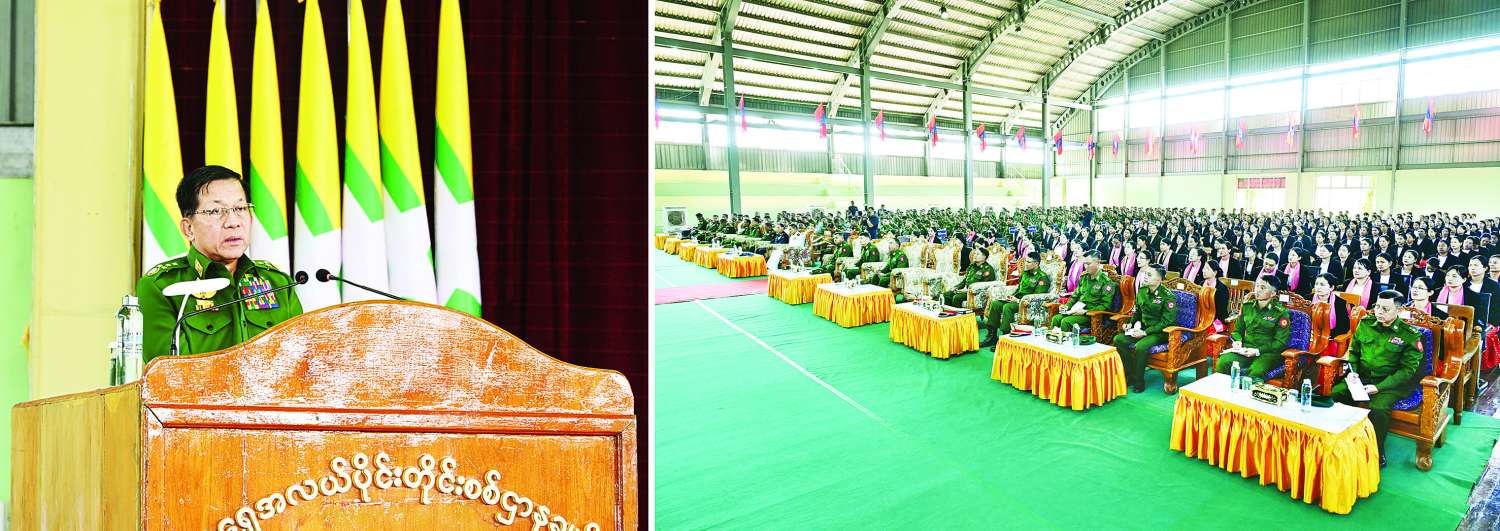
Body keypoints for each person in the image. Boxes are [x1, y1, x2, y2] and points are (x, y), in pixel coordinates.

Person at [138, 165, 305, 363]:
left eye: (240, 208)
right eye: (216, 211)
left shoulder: (277, 283)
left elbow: (299, 360)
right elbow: (169, 373)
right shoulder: (163, 287)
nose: (233, 222)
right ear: (188, 228)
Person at [1329, 290, 1424, 468]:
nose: (1379, 312)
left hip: (1390, 384)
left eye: (1385, 309)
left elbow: (1407, 371)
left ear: (1399, 310)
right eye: (1377, 306)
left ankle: (1376, 450)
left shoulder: (1409, 335)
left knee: (1378, 408)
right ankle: (1337, 441)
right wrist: (1352, 372)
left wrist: (1379, 387)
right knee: (1336, 394)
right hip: (1362, 378)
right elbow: (1354, 352)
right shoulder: (1366, 323)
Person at [1215, 277, 1292, 380]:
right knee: (1223, 362)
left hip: (1268, 353)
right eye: (1257, 286)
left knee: (1255, 371)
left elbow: (1280, 342)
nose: (1258, 290)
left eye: (1263, 288)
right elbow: (1238, 330)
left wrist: (1257, 351)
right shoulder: (1247, 307)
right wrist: (1237, 341)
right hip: (1246, 349)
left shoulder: (1280, 313)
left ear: (1273, 293)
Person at [1113, 265, 1173, 393]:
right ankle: (1129, 375)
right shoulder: (1142, 290)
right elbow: (1138, 312)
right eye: (1145, 274)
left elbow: (1167, 322)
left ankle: (1139, 381)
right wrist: (1130, 324)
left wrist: (1145, 332)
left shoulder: (1167, 296)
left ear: (1159, 279)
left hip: (1160, 332)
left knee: (1140, 346)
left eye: (1149, 275)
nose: (1145, 277)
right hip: (1143, 328)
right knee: (1119, 339)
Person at [982, 252, 1049, 346]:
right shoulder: (1025, 274)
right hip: (1016, 299)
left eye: (1028, 262)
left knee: (1007, 307)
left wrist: (1018, 301)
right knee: (996, 303)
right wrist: (1011, 296)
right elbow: (1019, 289)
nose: (1025, 264)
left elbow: (1037, 297)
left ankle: (1005, 339)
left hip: (1026, 304)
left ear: (1036, 264)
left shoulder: (1042, 277)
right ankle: (991, 336)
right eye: (1026, 261)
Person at [1050, 253, 1113, 334]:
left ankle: (1067, 341)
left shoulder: (1106, 282)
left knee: (1066, 322)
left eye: (1088, 264)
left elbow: (1106, 305)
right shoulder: (1083, 278)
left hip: (1091, 315)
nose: (1086, 267)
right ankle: (1053, 340)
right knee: (1056, 319)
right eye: (1084, 264)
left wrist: (1085, 311)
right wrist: (1067, 306)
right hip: (1076, 310)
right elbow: (1074, 297)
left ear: (1097, 262)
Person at [1311, 273, 1352, 356]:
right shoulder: (1308, 299)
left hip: (1330, 336)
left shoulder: (1339, 302)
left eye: (1322, 284)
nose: (1318, 287)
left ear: (1331, 288)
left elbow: (1344, 326)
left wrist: (1325, 334)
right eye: (1316, 284)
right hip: (1310, 335)